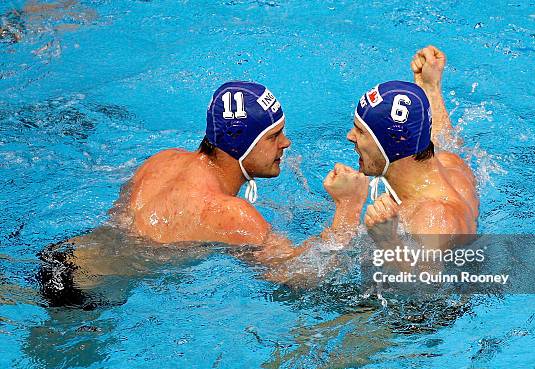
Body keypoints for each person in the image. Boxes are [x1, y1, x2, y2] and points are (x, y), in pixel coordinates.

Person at [38, 81, 369, 306]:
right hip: (85, 293)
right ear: (241, 143)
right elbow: (300, 277)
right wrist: (348, 209)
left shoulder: (162, 160)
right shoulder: (230, 214)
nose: (286, 143)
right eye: (273, 137)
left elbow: (122, 222)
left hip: (63, 255)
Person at [347, 46, 479, 250]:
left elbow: (430, 281)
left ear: (393, 142)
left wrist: (388, 242)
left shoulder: (432, 220)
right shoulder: (450, 163)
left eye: (361, 132)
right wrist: (431, 88)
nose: (350, 137)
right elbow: (439, 138)